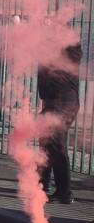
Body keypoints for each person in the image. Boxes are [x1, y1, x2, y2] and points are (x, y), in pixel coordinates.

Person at [39, 42, 82, 205]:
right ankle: (43, 183)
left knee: (56, 143)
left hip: (64, 102)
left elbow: (74, 53)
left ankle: (64, 192)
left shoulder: (69, 45)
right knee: (45, 141)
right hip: (52, 101)